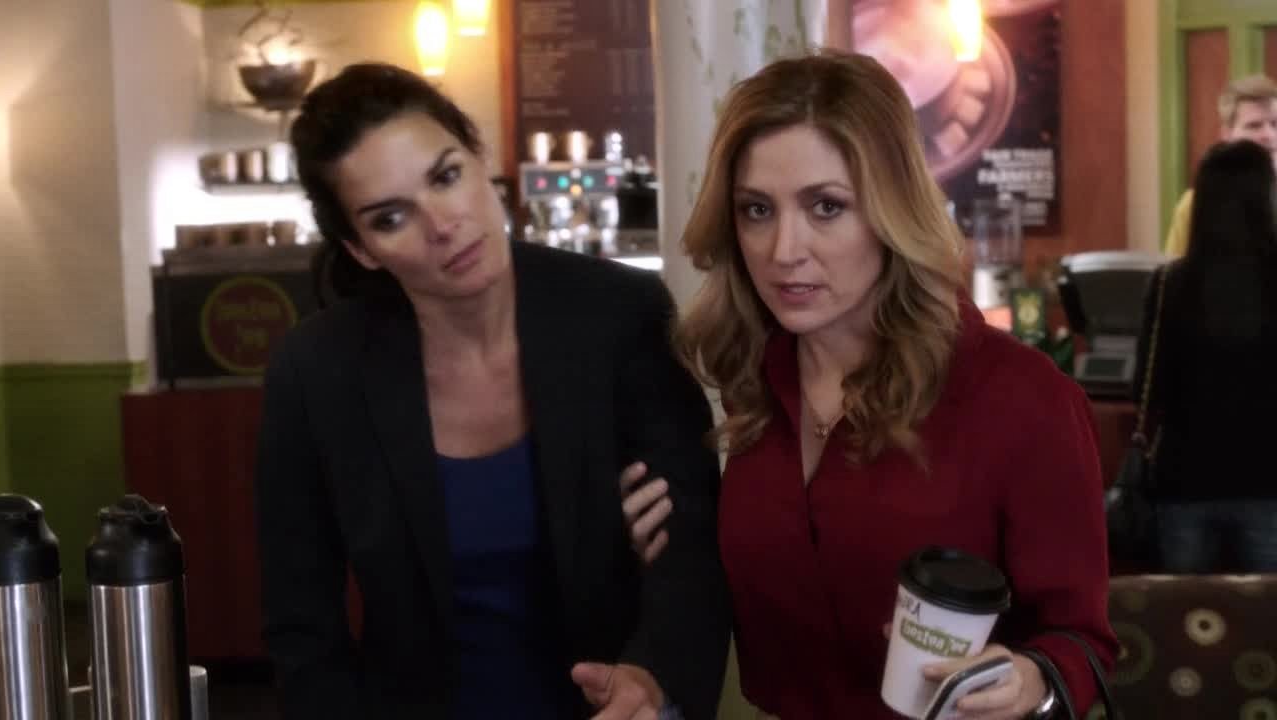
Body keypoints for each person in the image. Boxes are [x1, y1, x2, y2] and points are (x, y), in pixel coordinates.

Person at [619, 50, 1117, 719]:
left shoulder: (1021, 398)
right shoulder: (750, 386)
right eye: (757, 210)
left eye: (826, 207)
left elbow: (1082, 640)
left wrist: (1031, 680)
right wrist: (650, 555)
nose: (783, 250)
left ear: (891, 211)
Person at [254, 62, 730, 719]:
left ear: (479, 160)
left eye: (445, 176)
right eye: (390, 217)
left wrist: (653, 678)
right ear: (360, 249)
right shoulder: (316, 373)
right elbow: (302, 624)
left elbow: (692, 543)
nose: (441, 224)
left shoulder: (619, 313)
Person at [1135, 139, 1277, 573]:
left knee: (1183, 609)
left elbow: (1145, 388)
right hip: (1268, 480)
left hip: (1184, 480)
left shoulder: (1168, 284)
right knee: (1266, 611)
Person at [1164, 74, 1277, 257]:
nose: (1269, 135)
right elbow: (1173, 269)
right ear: (1227, 135)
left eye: (1275, 124)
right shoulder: (1194, 205)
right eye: (1254, 126)